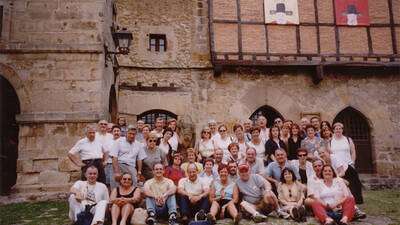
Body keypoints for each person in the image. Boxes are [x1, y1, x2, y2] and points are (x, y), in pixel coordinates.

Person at [329, 122, 363, 204]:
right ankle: (344, 200)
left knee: (354, 183)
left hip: (348, 164)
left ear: (342, 130)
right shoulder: (330, 141)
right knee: (341, 183)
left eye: (340, 128)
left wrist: (352, 162)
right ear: (333, 130)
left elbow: (353, 151)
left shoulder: (348, 139)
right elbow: (330, 154)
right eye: (336, 129)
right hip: (337, 166)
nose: (338, 130)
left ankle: (357, 200)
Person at [96, 120, 115, 188]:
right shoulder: (95, 135)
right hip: (97, 160)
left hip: (108, 162)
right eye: (101, 124)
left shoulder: (111, 136)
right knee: (96, 179)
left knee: (107, 181)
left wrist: (106, 161)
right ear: (98, 126)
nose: (103, 125)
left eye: (105, 124)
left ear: (107, 126)